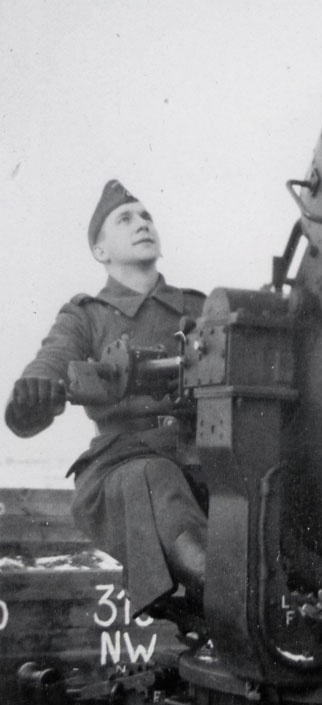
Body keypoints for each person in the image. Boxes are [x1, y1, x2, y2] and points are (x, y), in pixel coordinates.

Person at [5, 180, 208, 622]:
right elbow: (53, 359)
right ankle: (221, 587)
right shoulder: (86, 315)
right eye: (125, 219)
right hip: (124, 463)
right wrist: (37, 387)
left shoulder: (200, 308)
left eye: (147, 216)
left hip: (204, 457)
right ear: (100, 251)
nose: (142, 224)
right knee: (155, 477)